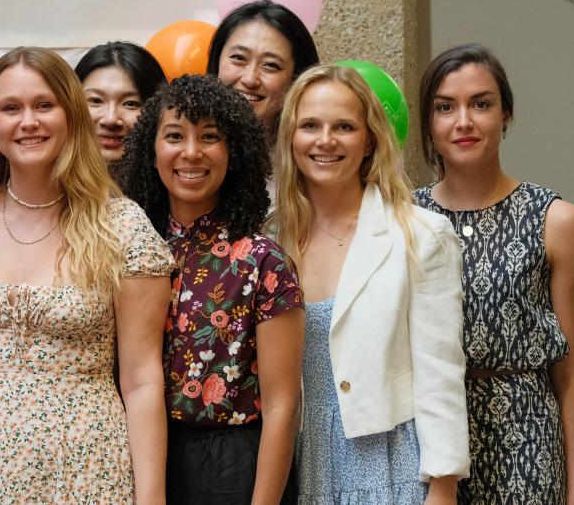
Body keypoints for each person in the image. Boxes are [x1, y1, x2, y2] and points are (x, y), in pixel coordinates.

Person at [0, 47, 174, 504]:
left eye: (44, 106)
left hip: (87, 471)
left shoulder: (121, 226)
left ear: (69, 115)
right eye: (11, 108)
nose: (28, 121)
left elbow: (142, 378)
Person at [270, 64, 468, 504]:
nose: (325, 140)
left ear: (369, 140)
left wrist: (443, 487)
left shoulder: (420, 235)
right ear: (290, 139)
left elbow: (442, 374)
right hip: (305, 468)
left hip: (393, 467)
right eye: (310, 126)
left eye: (344, 126)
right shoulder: (270, 242)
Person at [119, 75, 303, 505]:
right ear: (151, 150)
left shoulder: (263, 260)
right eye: (174, 136)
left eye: (209, 137)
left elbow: (282, 407)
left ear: (234, 153)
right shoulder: (126, 248)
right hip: (138, 453)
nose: (191, 152)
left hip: (233, 464)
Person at [414, 44, 574, 504]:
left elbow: (570, 374)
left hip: (526, 441)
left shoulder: (554, 219)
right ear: (429, 122)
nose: (463, 121)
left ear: (506, 113)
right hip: (430, 445)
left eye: (480, 104)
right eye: (445, 107)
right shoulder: (407, 219)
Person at [207, 0, 319, 146]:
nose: (250, 79)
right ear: (217, 60)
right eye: (238, 57)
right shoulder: (188, 151)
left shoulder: (312, 156)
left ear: (296, 78)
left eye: (270, 65)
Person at [74, 41, 166, 178]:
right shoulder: (48, 190)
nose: (110, 119)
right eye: (96, 100)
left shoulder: (174, 192)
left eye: (130, 103)